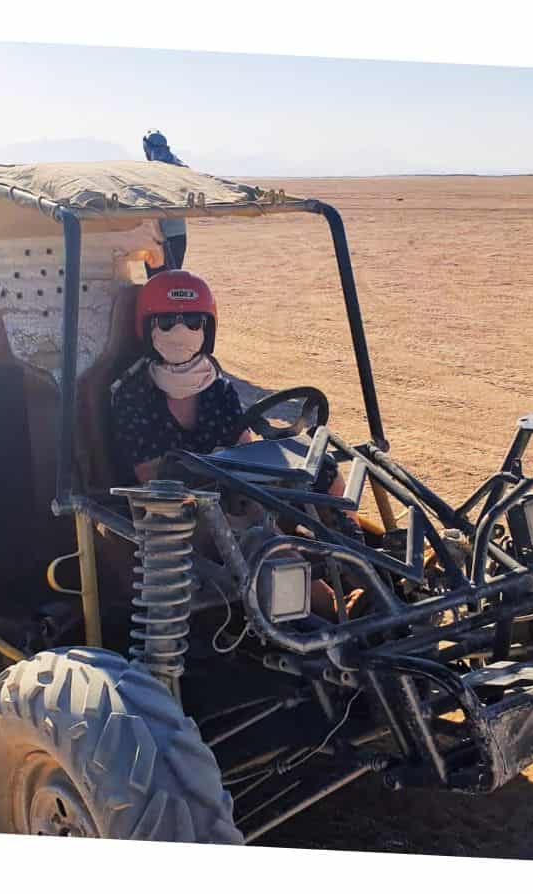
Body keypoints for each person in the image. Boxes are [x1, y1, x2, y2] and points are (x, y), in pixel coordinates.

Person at [110, 270, 358, 614]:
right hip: (178, 505)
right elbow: (151, 475)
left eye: (192, 321)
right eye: (166, 321)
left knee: (323, 471)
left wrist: (258, 478)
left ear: (207, 329)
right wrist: (227, 484)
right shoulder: (132, 394)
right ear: (148, 328)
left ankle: (361, 568)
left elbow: (244, 445)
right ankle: (335, 608)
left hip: (229, 485)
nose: (180, 332)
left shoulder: (216, 386)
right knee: (258, 531)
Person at [142, 130, 188, 273]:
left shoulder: (153, 170)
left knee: (158, 281)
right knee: (171, 278)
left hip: (158, 236)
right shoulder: (178, 165)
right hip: (177, 233)